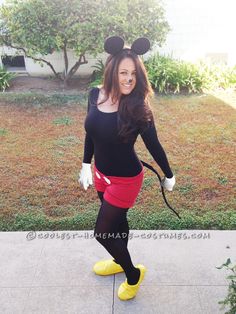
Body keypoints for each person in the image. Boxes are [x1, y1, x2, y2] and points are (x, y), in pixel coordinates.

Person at [79, 36, 175, 301]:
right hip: (101, 174)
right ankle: (119, 260)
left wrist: (169, 174)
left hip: (126, 180)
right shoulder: (94, 94)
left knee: (102, 233)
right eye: (123, 72)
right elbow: (91, 133)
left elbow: (154, 145)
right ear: (112, 71)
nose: (128, 79)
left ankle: (132, 275)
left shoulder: (137, 107)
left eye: (134, 73)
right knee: (118, 223)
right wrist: (86, 164)